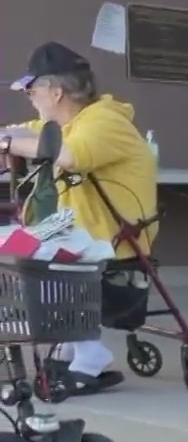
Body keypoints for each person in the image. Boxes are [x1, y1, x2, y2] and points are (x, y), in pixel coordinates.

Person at [1, 41, 159, 394]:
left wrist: (11, 146)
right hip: (82, 233)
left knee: (37, 253)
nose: (28, 96)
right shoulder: (64, 123)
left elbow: (71, 156)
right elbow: (14, 134)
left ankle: (89, 354)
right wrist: (6, 142)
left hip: (114, 238)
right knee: (18, 241)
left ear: (55, 91)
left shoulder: (104, 122)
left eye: (32, 89)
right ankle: (72, 345)